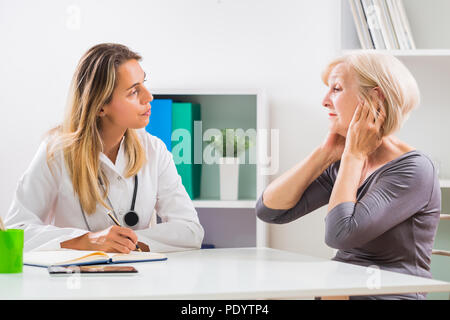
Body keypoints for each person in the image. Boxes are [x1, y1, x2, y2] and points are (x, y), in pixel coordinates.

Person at [256, 52, 441, 300]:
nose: (324, 101)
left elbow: (339, 235)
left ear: (375, 98)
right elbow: (270, 210)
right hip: (342, 290)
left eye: (337, 89)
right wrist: (323, 154)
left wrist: (353, 154)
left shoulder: (414, 170)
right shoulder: (348, 162)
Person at [5, 43, 204, 253]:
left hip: (141, 280)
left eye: (144, 83)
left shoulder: (154, 150)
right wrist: (86, 241)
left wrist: (126, 241)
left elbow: (191, 231)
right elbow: (16, 232)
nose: (149, 97)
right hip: (75, 281)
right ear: (100, 106)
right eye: (134, 91)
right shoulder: (56, 152)